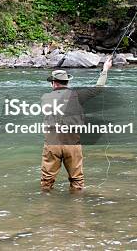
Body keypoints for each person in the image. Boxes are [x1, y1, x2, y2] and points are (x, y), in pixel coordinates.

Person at [40, 57, 113, 192]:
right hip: (72, 144)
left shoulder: (45, 98)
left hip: (52, 144)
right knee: (77, 180)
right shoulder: (78, 95)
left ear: (54, 84)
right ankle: (76, 208)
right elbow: (99, 88)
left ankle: (46, 207)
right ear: (67, 82)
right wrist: (105, 70)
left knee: (47, 180)